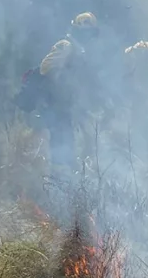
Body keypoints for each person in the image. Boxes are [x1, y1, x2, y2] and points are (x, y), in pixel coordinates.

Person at [27, 12, 100, 171]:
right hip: (55, 106)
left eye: (90, 33)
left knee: (69, 143)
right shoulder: (66, 46)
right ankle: (58, 179)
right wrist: (60, 87)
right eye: (85, 33)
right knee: (61, 144)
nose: (88, 37)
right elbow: (45, 69)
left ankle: (64, 176)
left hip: (66, 106)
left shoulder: (79, 51)